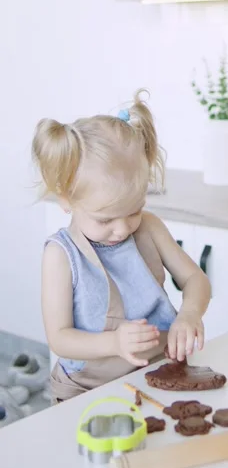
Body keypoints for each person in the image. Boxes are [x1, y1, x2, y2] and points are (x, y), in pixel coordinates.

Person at [32, 90, 211, 402]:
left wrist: (190, 314)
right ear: (66, 199)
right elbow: (60, 338)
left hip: (157, 372)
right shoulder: (60, 255)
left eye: (134, 211)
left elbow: (196, 279)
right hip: (85, 390)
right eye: (105, 220)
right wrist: (114, 343)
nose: (123, 228)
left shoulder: (149, 228)